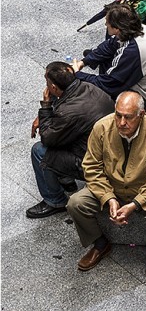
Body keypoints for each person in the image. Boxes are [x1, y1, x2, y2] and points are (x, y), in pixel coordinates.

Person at [66, 91, 146, 278]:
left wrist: (135, 203)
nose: (121, 122)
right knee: (75, 203)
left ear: (141, 115)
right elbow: (91, 167)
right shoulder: (101, 127)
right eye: (118, 115)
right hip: (110, 186)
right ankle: (100, 244)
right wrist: (108, 198)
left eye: (128, 117)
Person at [26, 62, 114, 219]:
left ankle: (54, 201)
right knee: (65, 135)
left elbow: (47, 137)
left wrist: (45, 107)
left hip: (95, 164)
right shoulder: (89, 87)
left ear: (53, 87)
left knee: (39, 151)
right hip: (108, 149)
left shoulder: (68, 113)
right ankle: (66, 179)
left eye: (47, 82)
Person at [74, 3, 146, 116]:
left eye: (107, 23)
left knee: (101, 90)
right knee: (106, 59)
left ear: (117, 28)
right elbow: (110, 45)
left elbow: (108, 83)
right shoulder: (137, 28)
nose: (105, 24)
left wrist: (77, 74)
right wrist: (84, 62)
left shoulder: (132, 51)